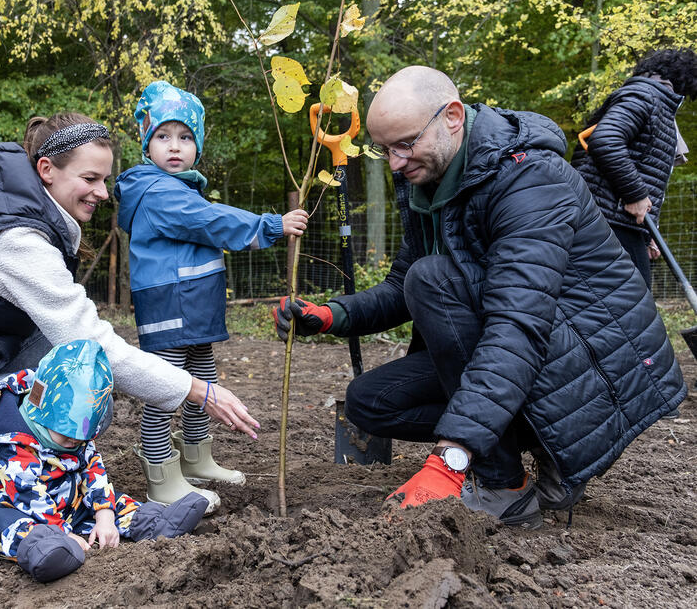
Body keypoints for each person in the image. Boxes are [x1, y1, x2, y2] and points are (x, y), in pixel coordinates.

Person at [274, 66, 686, 528]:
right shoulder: (428, 177)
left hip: (593, 363)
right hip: (525, 346)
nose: (394, 162)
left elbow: (518, 324)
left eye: (405, 144)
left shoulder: (529, 180)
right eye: (383, 149)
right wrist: (333, 315)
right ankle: (524, 441)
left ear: (452, 117)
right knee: (373, 400)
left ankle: (501, 483)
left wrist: (451, 458)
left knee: (433, 280)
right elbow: (400, 285)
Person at [0, 111, 259, 530]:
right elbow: (95, 343)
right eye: (90, 179)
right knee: (84, 399)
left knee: (80, 368)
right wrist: (198, 390)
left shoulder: (24, 216)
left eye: (105, 180)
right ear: (46, 170)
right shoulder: (16, 240)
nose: (103, 192)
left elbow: (80, 345)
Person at [114, 81, 308, 509]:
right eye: (163, 136)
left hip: (193, 302)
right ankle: (160, 471)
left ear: (198, 145)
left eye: (185, 137)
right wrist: (269, 226)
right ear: (147, 145)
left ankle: (197, 457)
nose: (175, 146)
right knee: (166, 386)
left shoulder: (179, 187)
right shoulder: (157, 192)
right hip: (171, 303)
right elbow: (210, 220)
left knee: (203, 376)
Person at [0, 340, 208, 583]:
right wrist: (62, 531)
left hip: (70, 503)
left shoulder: (77, 439)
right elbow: (27, 495)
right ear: (41, 412)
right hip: (23, 508)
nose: (73, 442)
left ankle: (153, 523)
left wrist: (104, 515)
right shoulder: (13, 444)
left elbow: (93, 469)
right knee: (1, 524)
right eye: (66, 436)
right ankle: (46, 549)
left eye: (81, 439)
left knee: (111, 499)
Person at [571, 48, 696, 288]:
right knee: (634, 306)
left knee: (628, 306)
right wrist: (635, 195)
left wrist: (648, 234)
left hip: (620, 222)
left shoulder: (653, 100)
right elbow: (605, 141)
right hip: (609, 222)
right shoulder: (644, 96)